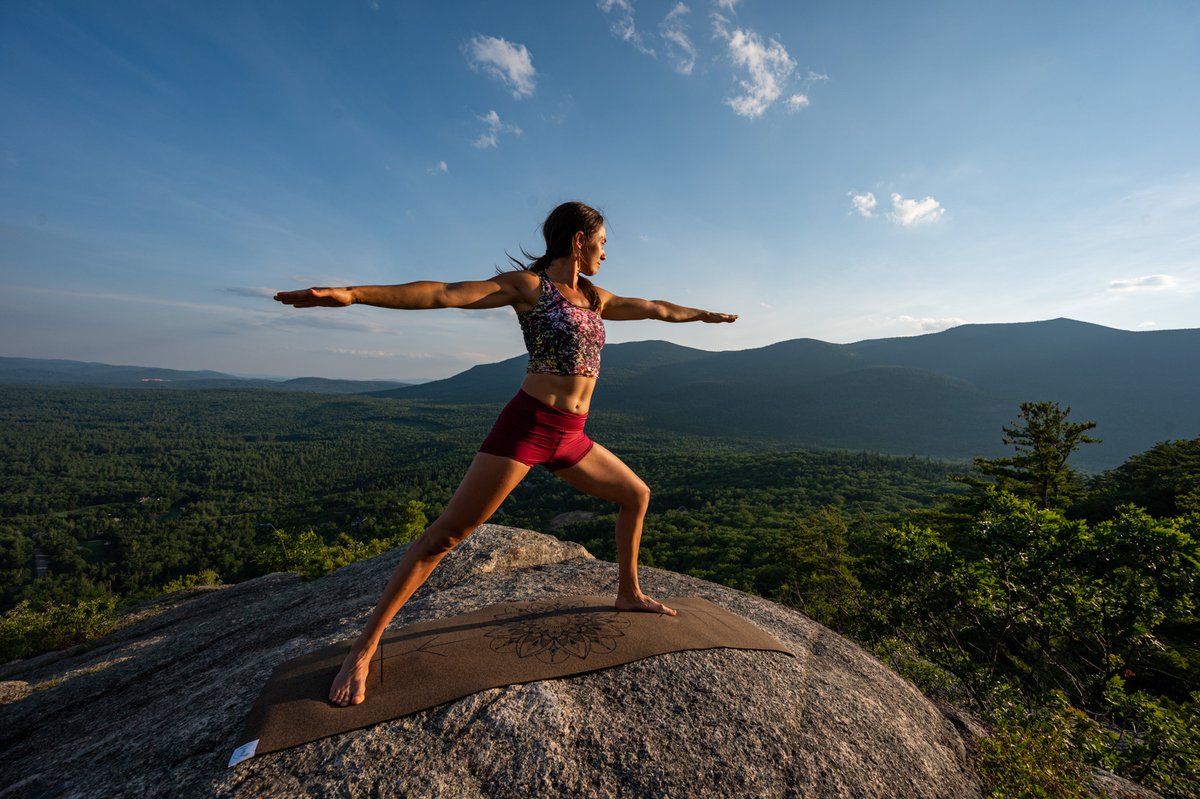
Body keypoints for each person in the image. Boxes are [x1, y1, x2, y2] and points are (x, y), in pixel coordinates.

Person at [274, 201, 738, 707]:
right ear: (579, 239)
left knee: (636, 495)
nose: (607, 252)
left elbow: (654, 308)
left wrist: (702, 316)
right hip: (529, 426)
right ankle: (364, 648)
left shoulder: (594, 297)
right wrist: (353, 294)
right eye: (603, 241)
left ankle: (627, 592)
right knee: (447, 534)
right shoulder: (529, 287)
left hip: (573, 435)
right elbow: (444, 294)